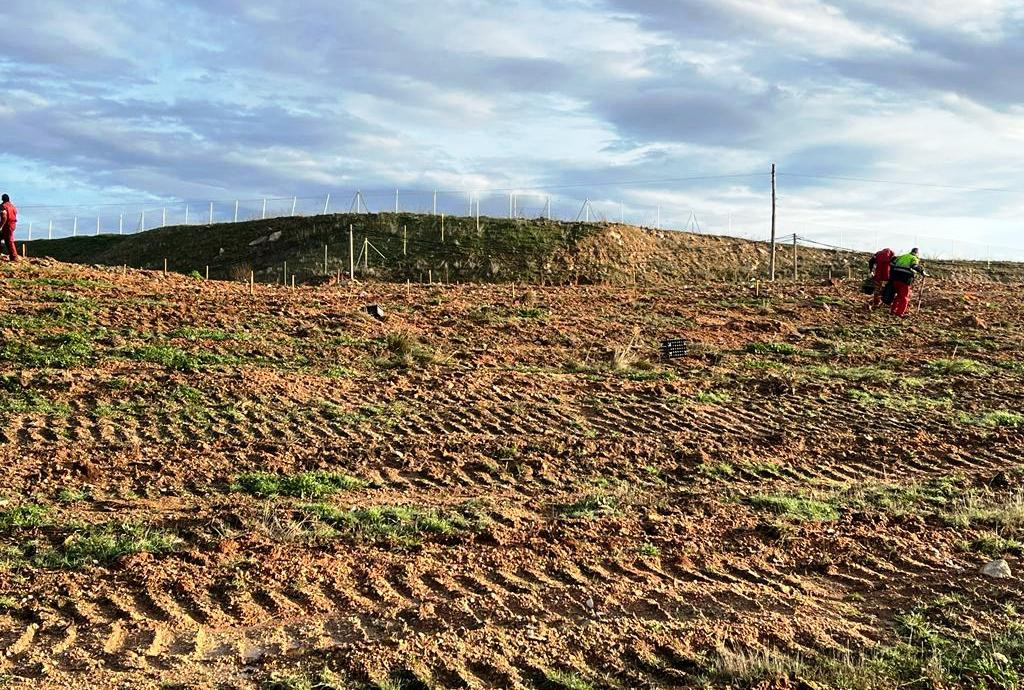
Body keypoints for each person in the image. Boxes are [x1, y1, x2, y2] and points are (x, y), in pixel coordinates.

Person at [889, 248, 926, 317]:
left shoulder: (902, 256)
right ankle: (900, 313)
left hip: (895, 278)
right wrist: (922, 272)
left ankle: (893, 311)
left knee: (899, 296)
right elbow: (914, 266)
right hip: (905, 279)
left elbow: (892, 263)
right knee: (904, 297)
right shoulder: (914, 258)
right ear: (917, 253)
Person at [0, 194, 17, 262]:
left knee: (9, 241)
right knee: (7, 239)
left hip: (7, 224)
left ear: (2, 199)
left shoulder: (3, 206)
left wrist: (1, 226)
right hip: (13, 224)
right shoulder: (13, 206)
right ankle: (13, 256)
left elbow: (4, 217)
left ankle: (14, 257)